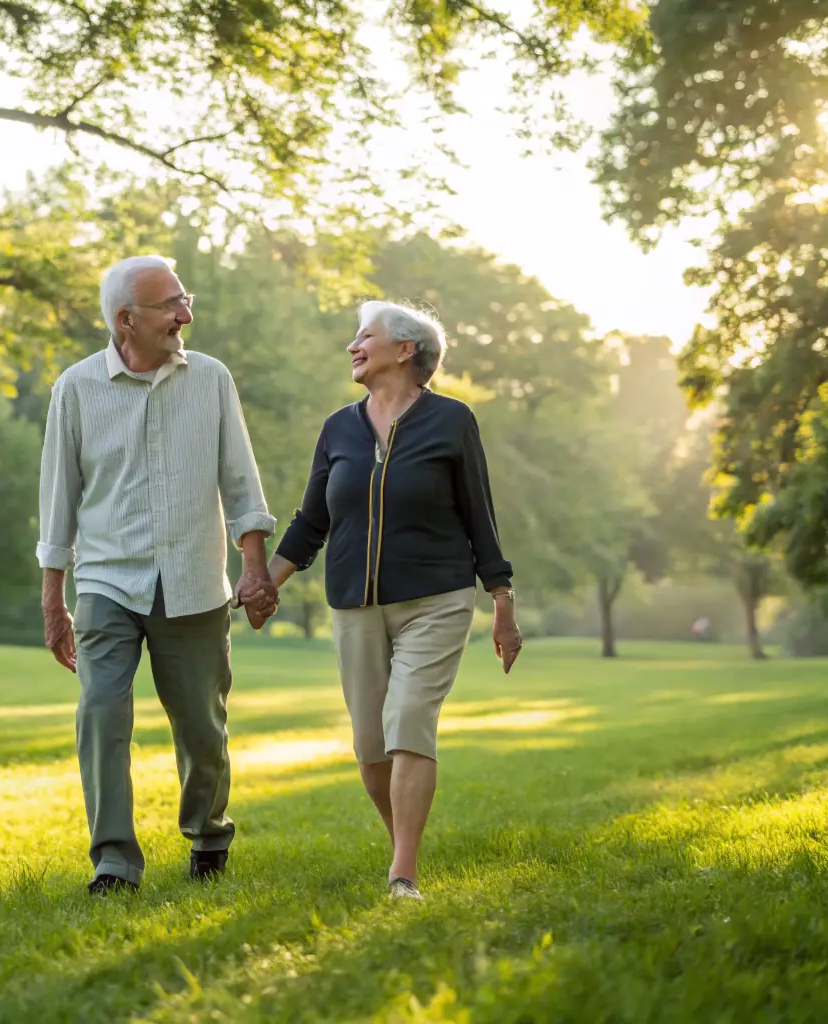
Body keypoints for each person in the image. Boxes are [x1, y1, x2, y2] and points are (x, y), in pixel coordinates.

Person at [263, 300, 522, 901]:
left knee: (408, 720)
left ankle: (402, 872)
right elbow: (311, 522)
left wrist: (502, 600)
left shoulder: (452, 421)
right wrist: (260, 585)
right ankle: (403, 839)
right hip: (355, 604)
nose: (353, 347)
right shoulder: (338, 428)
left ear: (405, 350)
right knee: (369, 744)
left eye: (365, 336)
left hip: (437, 597)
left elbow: (479, 515)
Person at [37, 254, 278, 896]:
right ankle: (113, 860)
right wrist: (52, 601)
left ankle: (207, 832)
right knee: (101, 716)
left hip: (195, 581)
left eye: (184, 299)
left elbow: (241, 479)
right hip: (107, 581)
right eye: (170, 305)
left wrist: (254, 570)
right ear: (126, 320)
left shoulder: (211, 379)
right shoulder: (77, 388)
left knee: (201, 723)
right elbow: (58, 503)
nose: (185, 314)